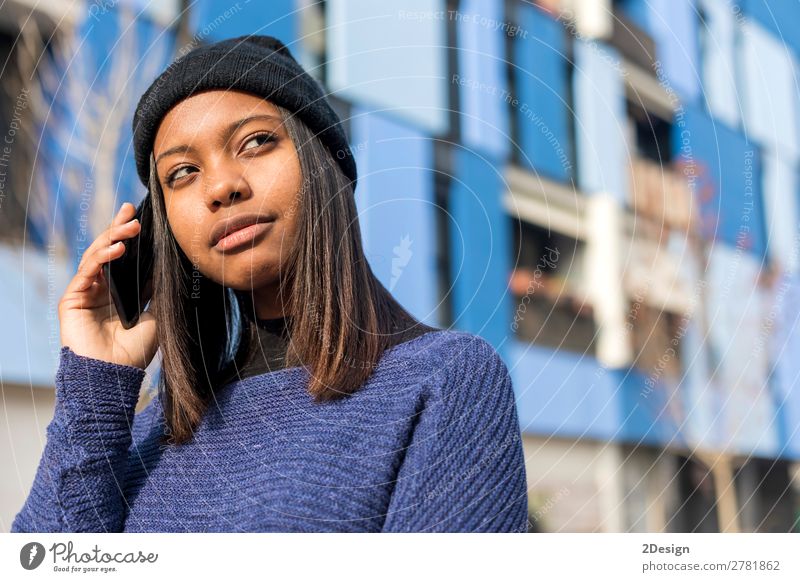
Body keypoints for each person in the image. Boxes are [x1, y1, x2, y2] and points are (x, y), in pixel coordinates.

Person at [11, 35, 528, 533]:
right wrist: (96, 383)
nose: (220, 187)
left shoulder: (443, 380)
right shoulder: (153, 431)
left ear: (323, 160)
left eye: (256, 142)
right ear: (163, 223)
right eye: (183, 173)